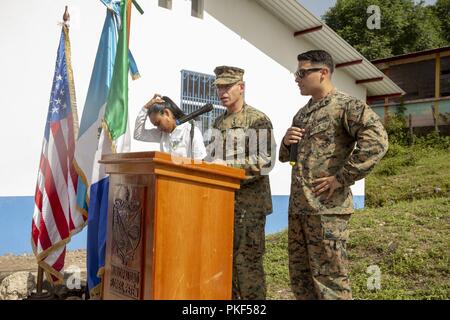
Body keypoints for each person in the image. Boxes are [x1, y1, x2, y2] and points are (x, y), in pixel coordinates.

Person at [279, 50, 388, 300]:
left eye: (303, 72)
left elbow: (377, 143)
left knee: (330, 281)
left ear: (323, 72)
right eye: (297, 73)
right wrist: (286, 142)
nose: (297, 78)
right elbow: (288, 158)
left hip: (327, 210)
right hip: (299, 209)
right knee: (301, 278)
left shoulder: (346, 106)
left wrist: (341, 178)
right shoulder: (302, 114)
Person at [208, 66, 275, 300]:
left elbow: (265, 161)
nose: (222, 92)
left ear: (242, 87)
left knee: (247, 267)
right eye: (219, 87)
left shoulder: (257, 119)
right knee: (224, 267)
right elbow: (211, 159)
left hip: (249, 207)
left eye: (227, 86)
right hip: (223, 205)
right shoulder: (217, 123)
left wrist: (229, 168)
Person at [134, 94, 207, 160]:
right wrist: (145, 108)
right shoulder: (162, 134)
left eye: (158, 123)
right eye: (156, 126)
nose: (158, 128)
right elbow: (138, 135)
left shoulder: (191, 132)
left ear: (167, 113)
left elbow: (200, 163)